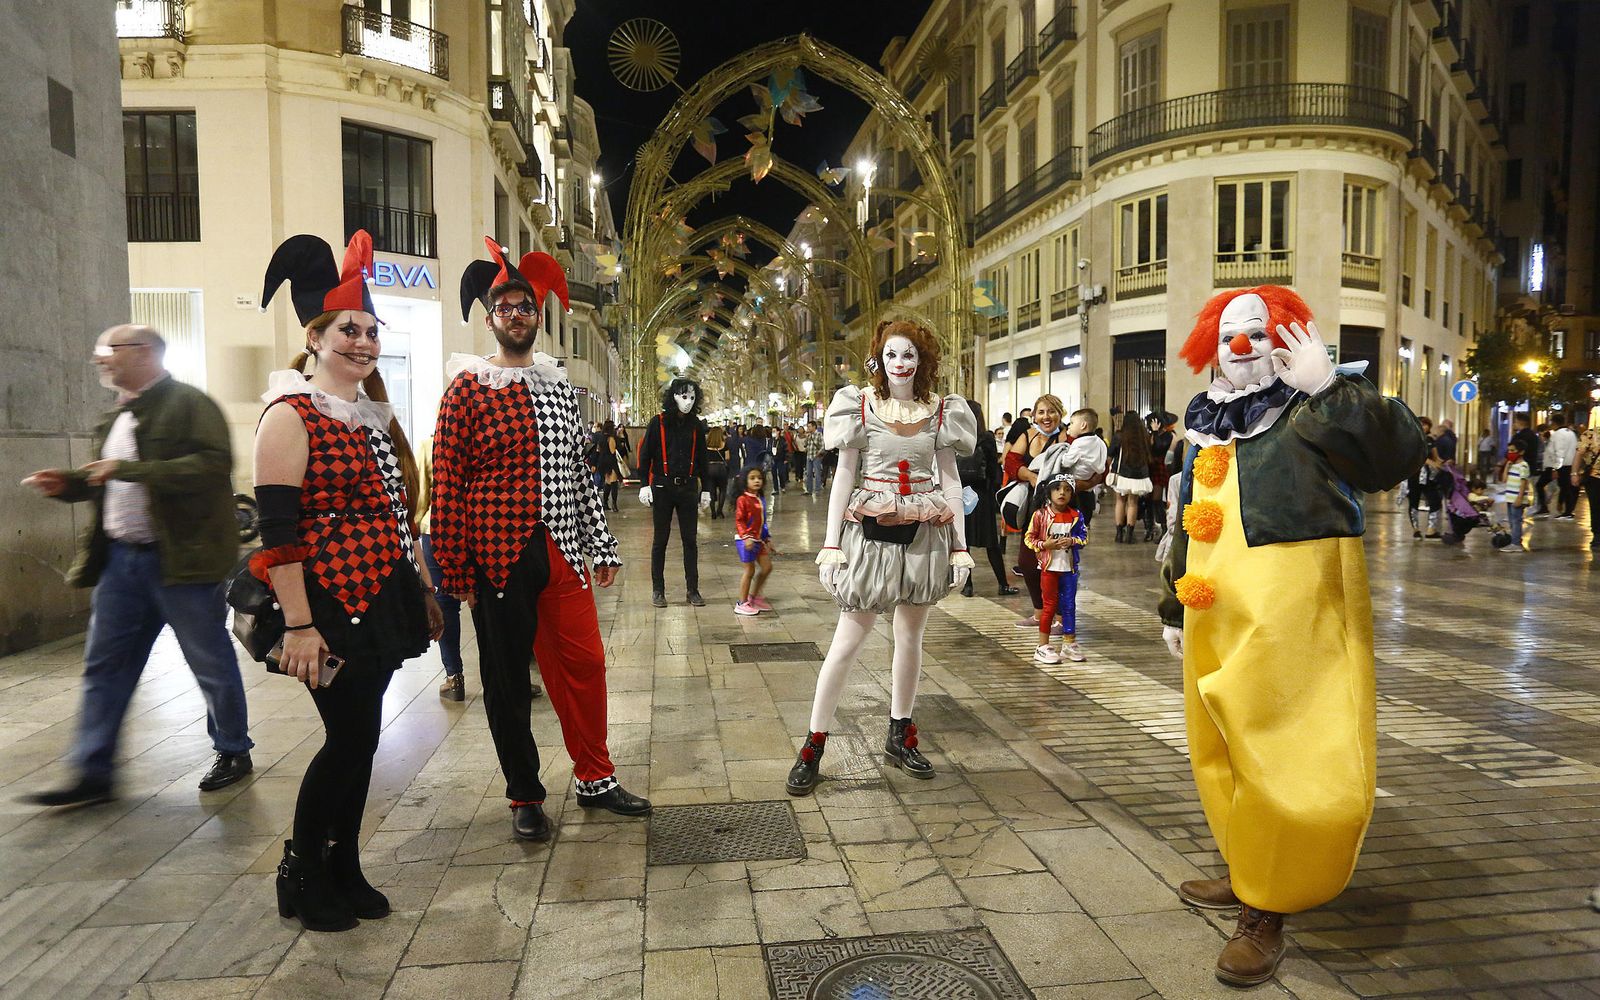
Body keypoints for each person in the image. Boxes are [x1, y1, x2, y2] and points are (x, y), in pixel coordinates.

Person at [1158, 285, 1426, 986]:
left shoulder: (1311, 409)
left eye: (1253, 331)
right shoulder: (1208, 419)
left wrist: (1334, 389)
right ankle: (1249, 869)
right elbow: (1191, 512)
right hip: (1215, 602)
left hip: (1293, 603)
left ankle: (1269, 906)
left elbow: (1396, 454)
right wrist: (1171, 603)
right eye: (1226, 335)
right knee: (1218, 744)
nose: (1239, 346)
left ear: (1282, 337)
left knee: (1290, 749)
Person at [252, 230, 442, 931]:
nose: (362, 342)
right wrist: (300, 625)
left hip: (382, 598)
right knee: (348, 740)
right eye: (347, 330)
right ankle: (300, 873)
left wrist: (421, 586)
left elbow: (397, 513)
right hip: (327, 607)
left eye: (369, 329)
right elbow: (281, 536)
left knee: (360, 739)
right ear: (316, 335)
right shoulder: (289, 414)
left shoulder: (370, 416)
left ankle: (344, 863)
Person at [434, 238, 650, 841]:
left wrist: (600, 542)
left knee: (585, 663)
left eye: (526, 305)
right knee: (506, 680)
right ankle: (524, 794)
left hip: (561, 547)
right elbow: (447, 483)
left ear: (538, 315)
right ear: (490, 316)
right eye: (506, 306)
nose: (518, 314)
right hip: (498, 556)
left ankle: (595, 778)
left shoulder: (558, 388)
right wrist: (454, 574)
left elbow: (580, 472)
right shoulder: (467, 390)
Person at [21, 325, 254, 806]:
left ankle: (232, 749)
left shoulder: (189, 404)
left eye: (108, 351)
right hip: (121, 564)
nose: (100, 361)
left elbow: (211, 466)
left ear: (144, 352)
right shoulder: (116, 419)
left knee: (208, 660)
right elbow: (107, 481)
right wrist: (68, 484)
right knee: (104, 666)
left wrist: (126, 470)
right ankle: (92, 770)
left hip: (182, 564)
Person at [785, 319, 977, 795]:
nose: (901, 363)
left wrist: (961, 547)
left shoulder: (942, 411)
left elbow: (950, 481)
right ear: (879, 359)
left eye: (910, 354)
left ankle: (901, 733)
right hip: (868, 535)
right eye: (892, 354)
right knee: (848, 640)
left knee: (910, 637)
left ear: (923, 360)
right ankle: (813, 744)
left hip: (924, 533)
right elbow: (843, 478)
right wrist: (830, 545)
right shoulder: (860, 405)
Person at [638, 377, 711, 608]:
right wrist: (643, 484)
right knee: (660, 540)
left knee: (690, 540)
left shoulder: (697, 425)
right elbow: (645, 456)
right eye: (683, 396)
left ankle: (693, 590)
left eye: (691, 397)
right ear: (673, 397)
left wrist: (706, 489)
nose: (688, 402)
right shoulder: (657, 423)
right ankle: (658, 590)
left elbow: (702, 459)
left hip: (688, 487)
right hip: (663, 486)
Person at [1004, 395, 1066, 628]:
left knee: (1057, 565)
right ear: (1034, 415)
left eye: (1051, 411)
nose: (1046, 417)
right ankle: (1040, 612)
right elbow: (1010, 461)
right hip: (1032, 510)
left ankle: (1060, 618)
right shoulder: (1028, 435)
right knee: (1027, 562)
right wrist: (1029, 475)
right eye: (1041, 412)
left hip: (1059, 512)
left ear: (1060, 413)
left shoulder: (1065, 438)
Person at [957, 398, 1019, 597]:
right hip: (981, 495)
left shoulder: (956, 437)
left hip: (960, 493)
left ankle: (968, 585)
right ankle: (1002, 584)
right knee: (991, 542)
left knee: (963, 541)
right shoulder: (986, 438)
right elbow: (993, 469)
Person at [1026, 472, 1088, 664]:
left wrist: (1073, 541)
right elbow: (1029, 538)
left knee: (1069, 606)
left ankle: (1069, 643)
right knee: (1049, 606)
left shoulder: (1076, 516)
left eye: (1067, 490)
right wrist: (1045, 545)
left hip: (1069, 569)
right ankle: (1042, 645)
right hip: (1049, 568)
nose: (1062, 493)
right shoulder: (1040, 515)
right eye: (1058, 489)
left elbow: (1084, 537)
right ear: (1049, 491)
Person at [733, 467, 778, 615]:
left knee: (767, 567)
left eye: (759, 478)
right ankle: (741, 602)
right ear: (745, 481)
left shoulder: (760, 499)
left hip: (758, 540)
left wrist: (767, 538)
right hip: (745, 540)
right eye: (752, 478)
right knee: (749, 570)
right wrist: (746, 537)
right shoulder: (742, 500)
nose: (756, 480)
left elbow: (762, 522)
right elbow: (739, 521)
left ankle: (754, 597)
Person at [1107, 411, 1154, 543]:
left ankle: (1118, 533)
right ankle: (1129, 534)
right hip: (1139, 475)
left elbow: (1110, 454)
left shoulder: (1119, 436)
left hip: (1122, 474)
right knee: (1133, 503)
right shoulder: (1144, 436)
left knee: (1120, 502)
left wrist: (1112, 467)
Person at [1406, 417, 1442, 539]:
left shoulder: (1431, 439)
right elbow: (1414, 456)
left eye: (1426, 424)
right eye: (1421, 424)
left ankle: (1431, 530)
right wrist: (1429, 462)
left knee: (1435, 500)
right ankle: (1415, 529)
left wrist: (1440, 463)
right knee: (1414, 501)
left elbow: (1436, 456)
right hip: (1414, 474)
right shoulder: (1412, 439)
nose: (1424, 427)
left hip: (1429, 476)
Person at [1145, 412, 1177, 542]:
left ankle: (1163, 528)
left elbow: (1158, 448)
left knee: (1156, 499)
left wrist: (1155, 433)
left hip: (1159, 467)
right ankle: (1149, 527)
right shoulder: (1151, 435)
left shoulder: (1168, 435)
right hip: (1149, 468)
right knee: (1148, 500)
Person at [1498, 444, 1531, 551]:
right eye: (1509, 451)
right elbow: (1504, 480)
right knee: (1512, 521)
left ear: (1521, 452)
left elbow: (1523, 483)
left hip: (1517, 498)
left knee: (1516, 521)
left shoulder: (1523, 466)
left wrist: (1520, 498)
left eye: (1513, 450)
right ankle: (1515, 541)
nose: (1510, 453)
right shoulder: (1512, 465)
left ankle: (1516, 544)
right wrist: (1507, 466)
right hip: (1510, 497)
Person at [1546, 414, 1579, 518]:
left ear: (1554, 423)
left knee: (1565, 488)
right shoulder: (1571, 433)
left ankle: (1567, 512)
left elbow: (1559, 452)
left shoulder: (1558, 434)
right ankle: (1568, 510)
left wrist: (1555, 468)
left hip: (1563, 465)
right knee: (1569, 488)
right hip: (1572, 464)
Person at [1573, 428, 1600, 550]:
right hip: (1594, 478)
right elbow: (1579, 453)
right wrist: (1574, 473)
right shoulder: (1591, 434)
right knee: (1596, 506)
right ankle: (1597, 536)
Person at [706, 424, 732, 519]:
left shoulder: (706, 445)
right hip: (721, 468)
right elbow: (728, 458)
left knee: (711, 491)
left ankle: (713, 512)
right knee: (722, 490)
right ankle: (719, 511)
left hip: (709, 468)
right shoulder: (724, 444)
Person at [803, 419, 826, 496]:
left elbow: (823, 446)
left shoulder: (819, 434)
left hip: (816, 457)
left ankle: (817, 490)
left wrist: (818, 453)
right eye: (808, 427)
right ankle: (809, 490)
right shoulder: (809, 435)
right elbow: (805, 445)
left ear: (814, 427)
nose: (808, 428)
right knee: (808, 473)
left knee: (817, 473)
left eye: (809, 427)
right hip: (809, 456)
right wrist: (806, 438)